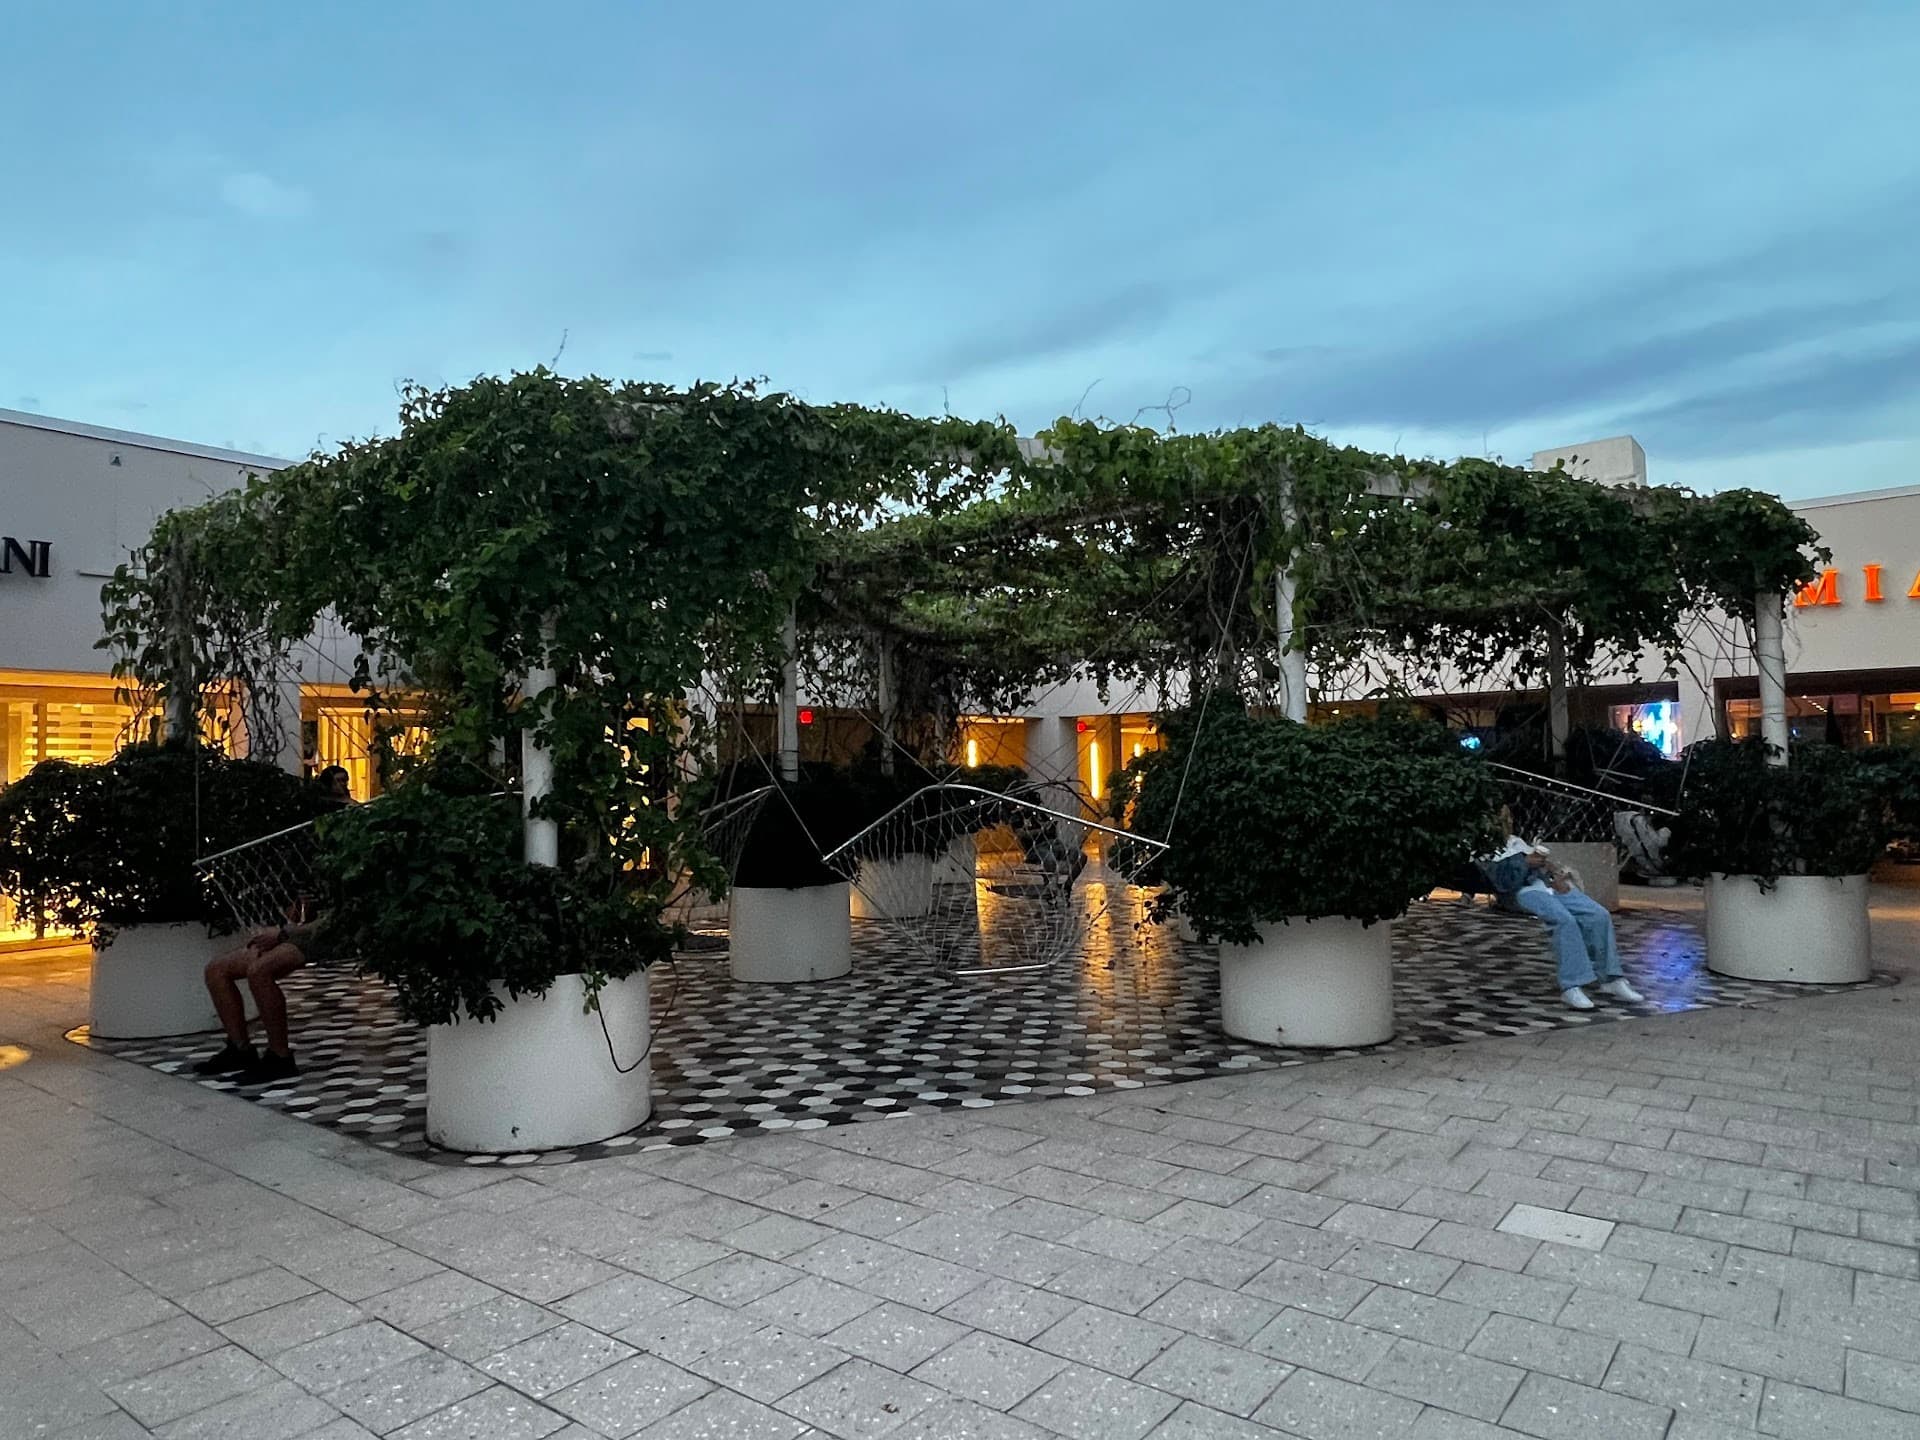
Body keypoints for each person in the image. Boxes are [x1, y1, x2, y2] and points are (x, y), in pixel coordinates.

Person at [190, 767, 354, 1084]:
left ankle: (280, 1055)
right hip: (302, 931)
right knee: (217, 969)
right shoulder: (309, 858)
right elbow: (299, 907)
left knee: (260, 970)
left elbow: (339, 919)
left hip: (328, 934)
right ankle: (239, 1048)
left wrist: (282, 933)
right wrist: (282, 925)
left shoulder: (349, 860)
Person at [1481, 807, 1643, 1011]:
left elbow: (1540, 866)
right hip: (1522, 891)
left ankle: (1611, 978)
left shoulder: (1517, 841)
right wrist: (1523, 862)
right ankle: (1572, 985)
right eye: (1501, 817)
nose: (1506, 821)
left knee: (1597, 914)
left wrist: (1552, 875)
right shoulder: (1482, 847)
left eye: (1508, 816)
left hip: (1545, 885)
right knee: (1564, 920)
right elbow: (1499, 880)